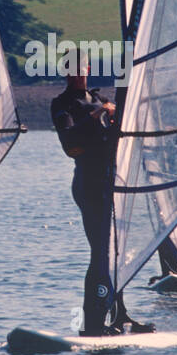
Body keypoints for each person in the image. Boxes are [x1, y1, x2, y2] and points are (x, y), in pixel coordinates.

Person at [51, 59, 154, 336]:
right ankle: (93, 323)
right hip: (89, 184)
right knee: (101, 254)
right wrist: (96, 117)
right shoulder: (62, 104)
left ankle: (120, 315)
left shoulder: (100, 98)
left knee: (116, 254)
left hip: (114, 184)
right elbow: (70, 144)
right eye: (71, 67)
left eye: (80, 66)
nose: (77, 72)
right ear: (66, 72)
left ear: (86, 70)